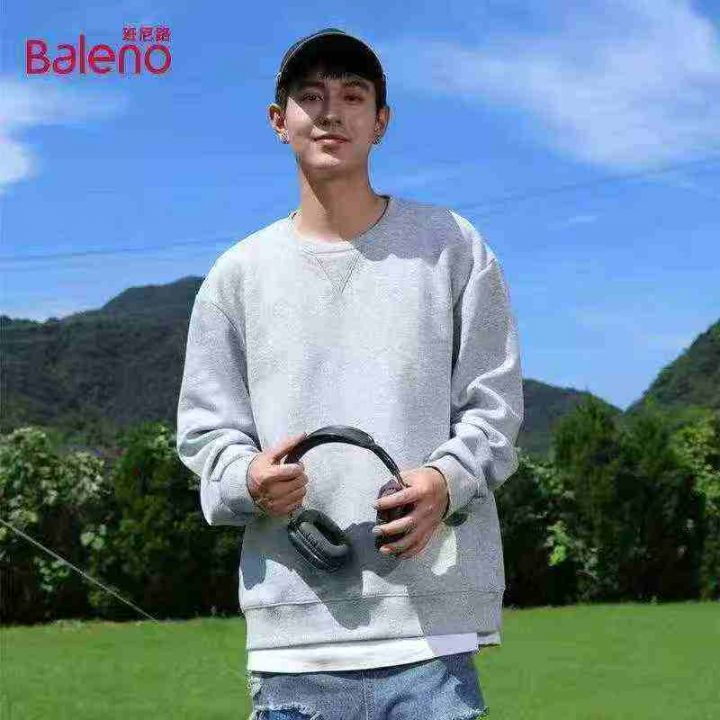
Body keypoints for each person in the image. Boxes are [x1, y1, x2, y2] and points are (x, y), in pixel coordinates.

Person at [176, 27, 524, 720]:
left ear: (381, 121)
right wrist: (248, 478)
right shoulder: (235, 276)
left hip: (432, 642)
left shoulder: (451, 246)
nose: (331, 112)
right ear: (279, 121)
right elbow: (205, 433)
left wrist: (445, 481)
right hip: (293, 649)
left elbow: (495, 407)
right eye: (310, 96)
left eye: (353, 95)